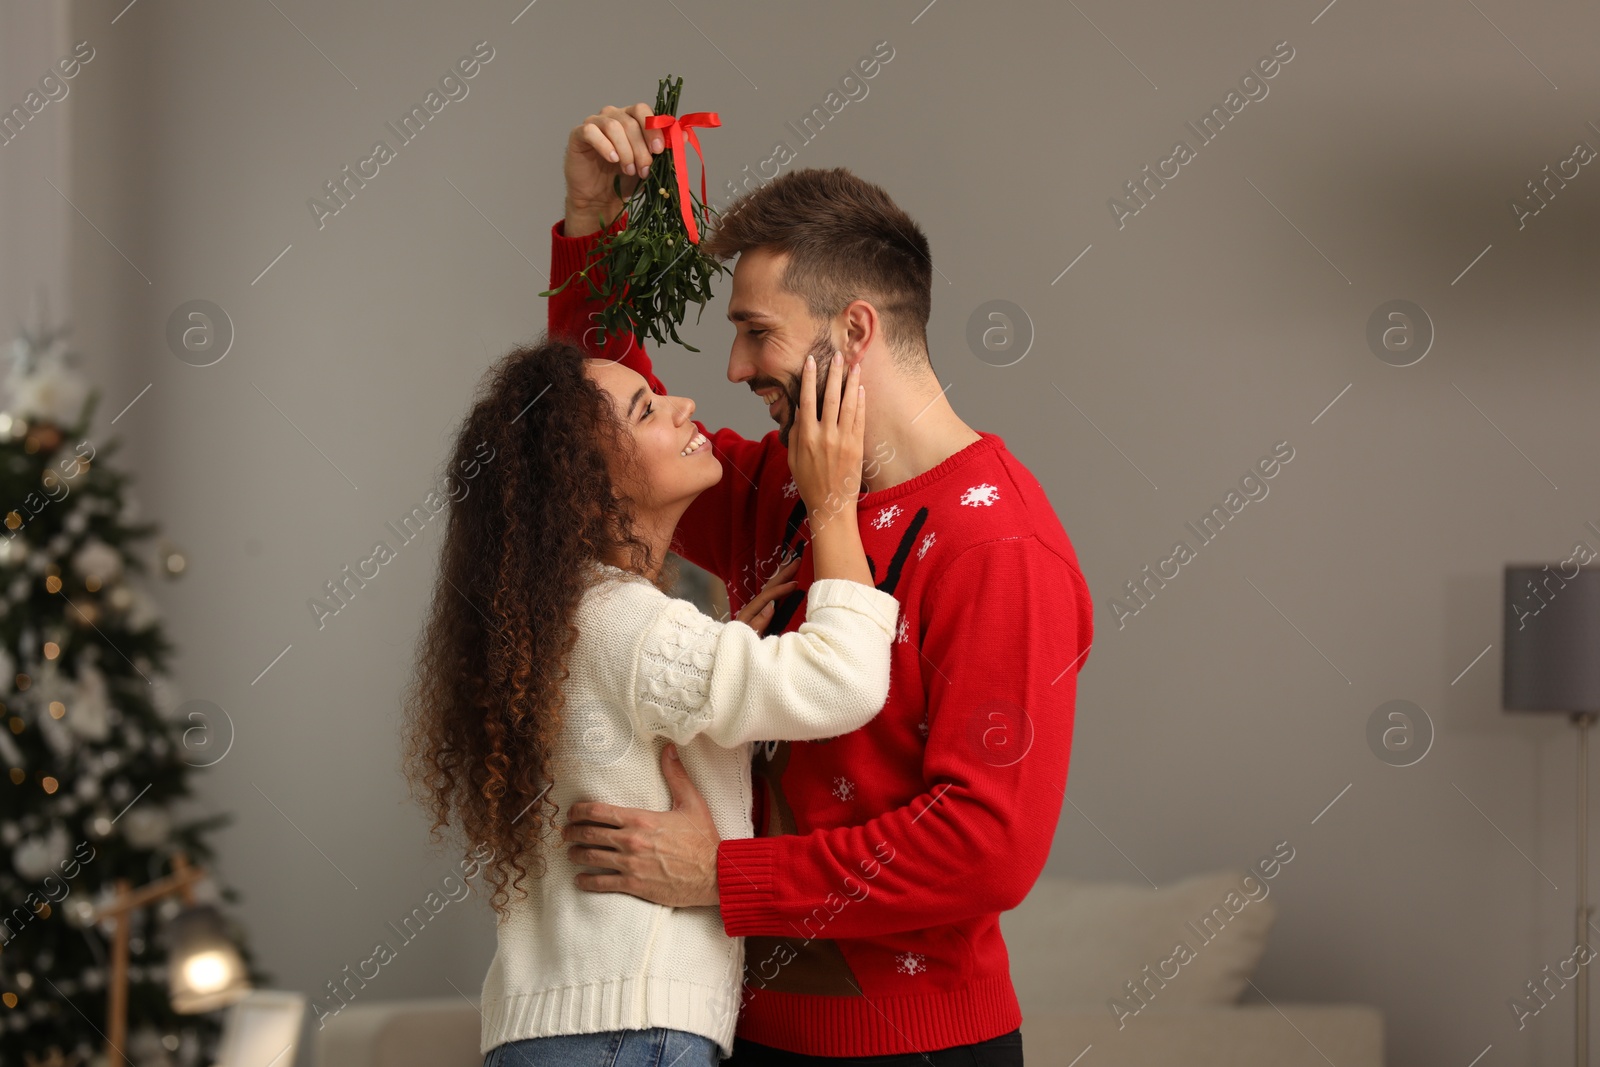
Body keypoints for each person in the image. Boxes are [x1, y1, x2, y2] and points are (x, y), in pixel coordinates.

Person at [548, 103, 1095, 1066]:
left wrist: (725, 874)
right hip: (743, 1034)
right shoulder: (781, 488)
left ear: (854, 330)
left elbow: (984, 844)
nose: (732, 365)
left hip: (912, 1051)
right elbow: (611, 440)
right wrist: (589, 223)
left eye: (757, 333)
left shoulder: (998, 545)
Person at [401, 328, 902, 1066]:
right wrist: (831, 505)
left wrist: (729, 647)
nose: (684, 405)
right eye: (644, 411)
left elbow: (637, 729)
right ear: (589, 486)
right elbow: (844, 682)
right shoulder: (631, 625)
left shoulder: (569, 617)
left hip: (553, 1029)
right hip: (629, 1035)